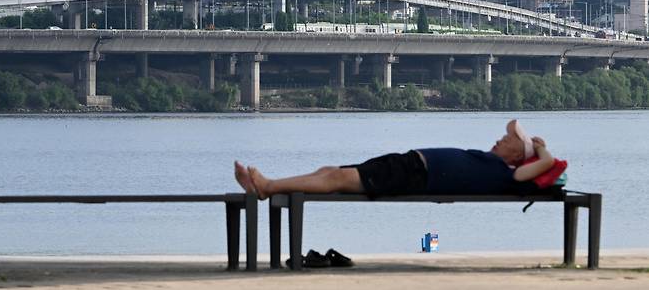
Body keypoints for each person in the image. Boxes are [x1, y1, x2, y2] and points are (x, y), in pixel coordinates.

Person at [235, 120, 554, 200]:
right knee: (331, 171)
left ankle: (267, 186)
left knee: (336, 179)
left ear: (517, 155)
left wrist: (543, 152)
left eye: (508, 139)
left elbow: (532, 173)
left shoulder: (505, 173)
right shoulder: (491, 162)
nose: (500, 139)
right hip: (408, 164)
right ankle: (268, 185)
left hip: (412, 176)